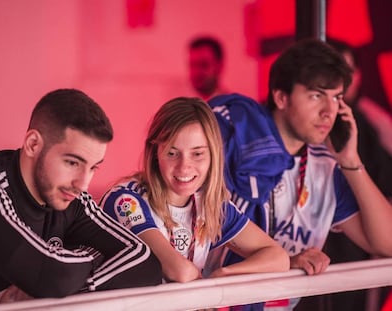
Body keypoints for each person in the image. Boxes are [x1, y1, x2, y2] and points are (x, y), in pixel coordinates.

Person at [208, 39, 392, 311]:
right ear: (281, 97)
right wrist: (284, 261)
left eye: (337, 97)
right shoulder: (236, 138)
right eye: (317, 95)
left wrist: (351, 161)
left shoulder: (325, 168)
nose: (329, 111)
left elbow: (387, 243)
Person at [0, 88, 162, 305]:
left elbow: (143, 261)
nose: (83, 185)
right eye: (72, 163)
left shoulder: (72, 197)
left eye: (93, 168)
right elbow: (51, 276)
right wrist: (93, 258)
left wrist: (68, 287)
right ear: (33, 145)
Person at [100, 97, 289, 284]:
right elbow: (178, 271)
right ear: (155, 152)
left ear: (213, 155)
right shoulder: (125, 200)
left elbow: (278, 258)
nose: (184, 167)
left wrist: (224, 274)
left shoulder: (210, 204)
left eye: (197, 154)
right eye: (172, 153)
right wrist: (207, 287)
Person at [295, 38, 392, 311]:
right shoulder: (278, 134)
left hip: (353, 248)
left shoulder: (372, 125)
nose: (340, 83)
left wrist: (350, 162)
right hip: (296, 261)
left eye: (345, 74)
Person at [188, 36, 228, 101]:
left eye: (203, 65)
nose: (196, 72)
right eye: (192, 65)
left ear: (219, 67)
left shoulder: (232, 107)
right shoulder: (177, 105)